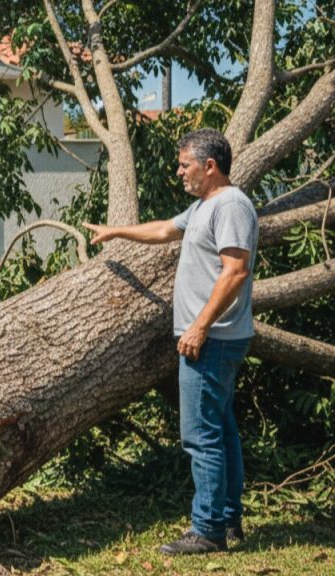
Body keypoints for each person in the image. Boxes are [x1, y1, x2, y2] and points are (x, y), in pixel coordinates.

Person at [84, 128, 258, 556]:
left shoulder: (231, 205)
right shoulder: (204, 206)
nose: (179, 171)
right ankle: (228, 518)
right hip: (214, 337)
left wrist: (199, 326)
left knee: (201, 435)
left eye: (185, 164)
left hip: (213, 338)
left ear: (210, 167)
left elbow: (235, 272)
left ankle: (208, 530)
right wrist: (115, 231)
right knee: (222, 431)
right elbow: (164, 229)